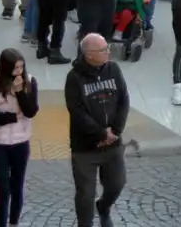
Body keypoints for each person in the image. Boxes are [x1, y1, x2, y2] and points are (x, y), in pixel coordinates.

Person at [65, 33, 128, 227]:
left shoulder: (113, 69)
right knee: (85, 194)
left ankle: (104, 207)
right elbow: (77, 112)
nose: (108, 52)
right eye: (103, 50)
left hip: (113, 145)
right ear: (89, 55)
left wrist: (115, 131)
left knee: (116, 184)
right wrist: (101, 134)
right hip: (86, 147)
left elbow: (124, 100)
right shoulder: (74, 77)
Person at [0, 46, 38, 227]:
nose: (19, 72)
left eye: (21, 67)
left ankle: (14, 222)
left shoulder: (30, 82)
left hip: (21, 141)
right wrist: (13, 116)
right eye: (15, 68)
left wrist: (20, 93)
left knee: (17, 186)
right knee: (4, 189)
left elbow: (31, 111)